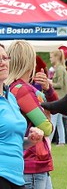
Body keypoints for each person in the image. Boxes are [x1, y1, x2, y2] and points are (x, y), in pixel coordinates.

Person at [5, 40, 57, 189]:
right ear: (30, 62)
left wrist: (48, 90)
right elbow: (46, 128)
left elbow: (55, 107)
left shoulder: (12, 88)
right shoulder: (23, 90)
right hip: (33, 162)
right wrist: (47, 113)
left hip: (28, 161)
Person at [0, 43, 44, 189]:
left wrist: (30, 141)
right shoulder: (21, 90)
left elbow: (11, 140)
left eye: (5, 58)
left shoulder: (10, 97)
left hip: (17, 177)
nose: (2, 63)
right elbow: (47, 126)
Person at [48, 49, 67, 146]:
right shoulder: (60, 68)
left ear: (56, 57)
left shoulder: (60, 69)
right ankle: (62, 141)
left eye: (51, 57)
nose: (50, 59)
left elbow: (60, 84)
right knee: (59, 122)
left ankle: (48, 141)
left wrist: (50, 83)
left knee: (53, 120)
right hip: (61, 98)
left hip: (59, 98)